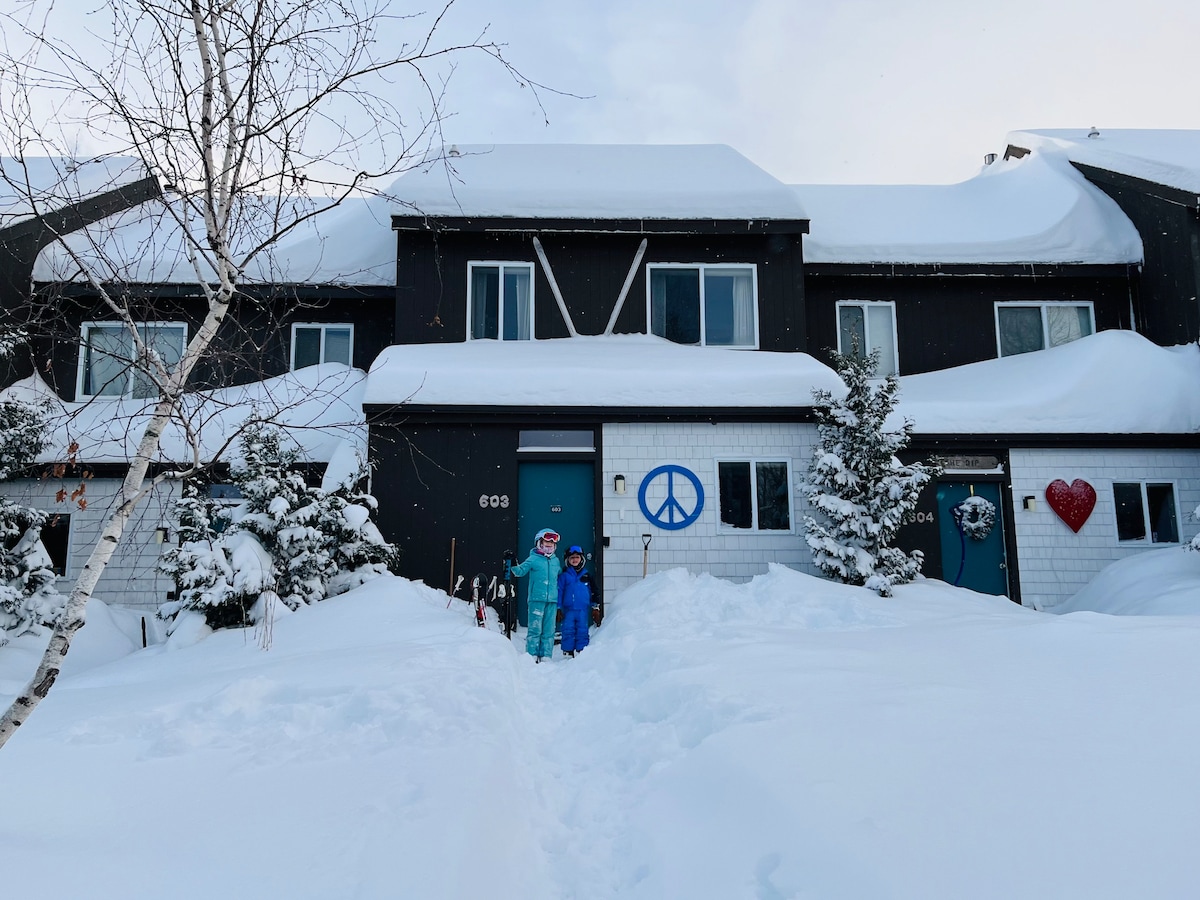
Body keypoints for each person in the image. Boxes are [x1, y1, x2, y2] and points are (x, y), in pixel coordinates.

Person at [508, 528, 563, 662]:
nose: (549, 546)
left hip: (552, 600)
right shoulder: (533, 559)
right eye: (546, 543)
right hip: (536, 599)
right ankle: (532, 654)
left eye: (552, 544)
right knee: (535, 628)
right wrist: (512, 563)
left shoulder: (556, 561)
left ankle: (546, 655)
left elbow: (560, 577)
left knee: (549, 630)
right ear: (539, 543)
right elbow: (520, 571)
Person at [557, 545, 597, 658]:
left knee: (582, 630)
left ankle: (582, 650)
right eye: (572, 558)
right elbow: (559, 591)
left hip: (582, 610)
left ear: (582, 559)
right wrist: (558, 607)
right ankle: (568, 650)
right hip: (568, 609)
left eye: (577, 557)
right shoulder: (564, 576)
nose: (575, 560)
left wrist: (595, 606)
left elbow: (594, 591)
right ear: (568, 560)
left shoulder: (587, 575)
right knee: (567, 629)